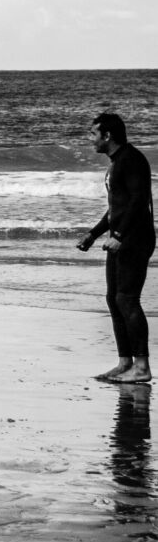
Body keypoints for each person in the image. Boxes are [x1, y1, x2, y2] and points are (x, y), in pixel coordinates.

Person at [78, 112, 155, 384]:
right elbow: (116, 208)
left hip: (135, 239)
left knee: (127, 299)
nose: (91, 138)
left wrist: (120, 235)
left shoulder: (131, 160)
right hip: (121, 239)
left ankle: (142, 366)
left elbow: (138, 201)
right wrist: (94, 233)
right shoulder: (117, 162)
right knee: (114, 299)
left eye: (93, 133)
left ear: (107, 135)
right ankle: (125, 362)